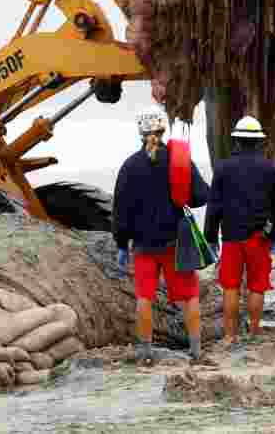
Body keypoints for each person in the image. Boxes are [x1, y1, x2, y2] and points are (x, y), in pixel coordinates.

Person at [113, 105, 210, 364]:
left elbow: (120, 211)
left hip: (144, 246)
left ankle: (145, 352)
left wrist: (122, 244)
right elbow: (201, 196)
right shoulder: (180, 160)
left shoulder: (129, 166)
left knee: (144, 298)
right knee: (189, 297)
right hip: (176, 242)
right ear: (163, 129)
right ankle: (196, 351)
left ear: (140, 132)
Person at [203, 116, 275, 343]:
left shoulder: (223, 168)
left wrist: (210, 237)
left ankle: (230, 336)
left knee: (231, 287)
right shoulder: (269, 168)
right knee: (257, 287)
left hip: (230, 238)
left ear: (236, 141)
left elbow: (214, 206)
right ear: (258, 142)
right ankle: (255, 333)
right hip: (259, 238)